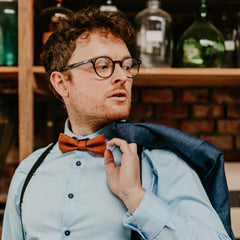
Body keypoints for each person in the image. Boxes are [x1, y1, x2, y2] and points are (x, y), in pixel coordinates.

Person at [2, 6, 233, 240]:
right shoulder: (28, 172)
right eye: (103, 65)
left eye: (126, 65)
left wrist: (137, 198)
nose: (122, 76)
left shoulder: (163, 165)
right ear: (62, 83)